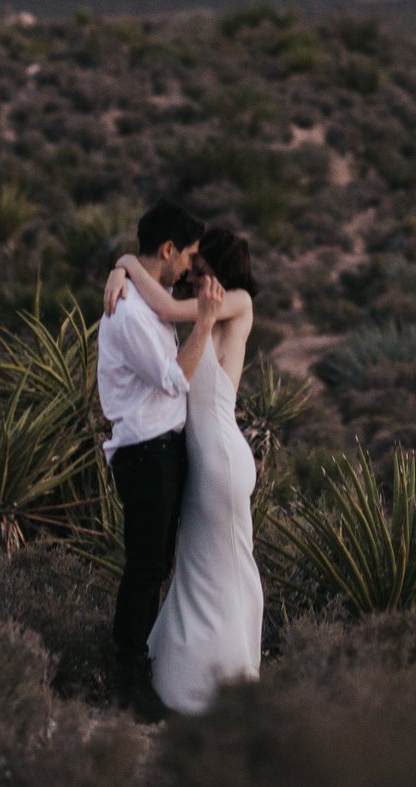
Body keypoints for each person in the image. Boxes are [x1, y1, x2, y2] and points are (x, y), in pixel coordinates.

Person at [102, 221, 263, 717]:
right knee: (202, 568)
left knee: (217, 569)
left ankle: (216, 684)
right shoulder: (211, 305)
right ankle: (197, 683)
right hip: (204, 458)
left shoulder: (233, 301)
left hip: (217, 453)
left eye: (199, 269)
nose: (191, 280)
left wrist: (125, 264)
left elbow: (167, 308)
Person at [96, 199, 219, 722]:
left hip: (163, 448)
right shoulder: (127, 314)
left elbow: (163, 300)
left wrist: (122, 264)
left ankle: (144, 671)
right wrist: (207, 322)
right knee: (145, 568)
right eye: (188, 253)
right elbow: (173, 377)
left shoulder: (149, 296)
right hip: (144, 453)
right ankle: (128, 680)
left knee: (157, 565)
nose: (191, 264)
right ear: (168, 250)